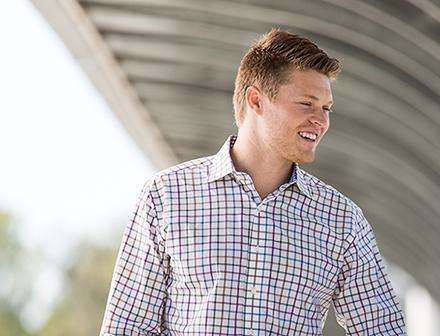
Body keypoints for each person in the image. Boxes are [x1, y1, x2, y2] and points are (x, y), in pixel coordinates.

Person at [100, 29, 406, 335]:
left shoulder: (342, 220)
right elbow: (128, 327)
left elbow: (382, 330)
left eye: (326, 108)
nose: (321, 120)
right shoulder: (167, 196)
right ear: (256, 100)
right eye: (306, 104)